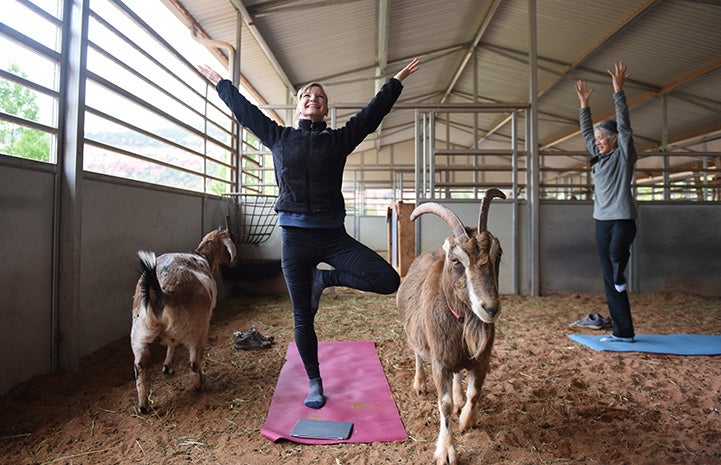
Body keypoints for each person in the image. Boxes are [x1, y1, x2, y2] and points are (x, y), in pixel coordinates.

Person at [198, 58, 421, 407]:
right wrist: (221, 83)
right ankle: (315, 382)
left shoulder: (338, 140)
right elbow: (246, 112)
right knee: (302, 318)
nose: (313, 98)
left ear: (326, 109)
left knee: (387, 280)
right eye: (306, 95)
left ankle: (325, 281)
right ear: (299, 105)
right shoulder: (279, 137)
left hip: (333, 237)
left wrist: (395, 81)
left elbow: (372, 114)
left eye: (319, 96)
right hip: (295, 242)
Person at [575, 61, 637, 343]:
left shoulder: (623, 156)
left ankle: (619, 271)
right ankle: (623, 333)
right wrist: (584, 106)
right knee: (611, 281)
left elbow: (624, 127)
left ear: (613, 140)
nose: (597, 142)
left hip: (622, 218)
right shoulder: (599, 157)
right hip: (601, 220)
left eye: (602, 139)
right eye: (597, 139)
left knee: (615, 257)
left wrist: (617, 91)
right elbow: (587, 134)